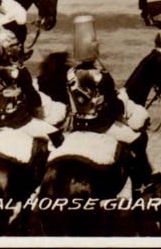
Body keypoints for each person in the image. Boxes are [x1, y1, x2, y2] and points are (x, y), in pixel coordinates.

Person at [65, 15, 152, 185]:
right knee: (138, 139)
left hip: (77, 124)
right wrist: (122, 100)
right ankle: (142, 182)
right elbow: (115, 108)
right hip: (101, 126)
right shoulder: (102, 77)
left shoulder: (70, 74)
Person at [0, 20, 59, 142]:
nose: (20, 46)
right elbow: (34, 99)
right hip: (19, 121)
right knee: (56, 137)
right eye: (15, 44)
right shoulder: (19, 71)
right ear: (7, 50)